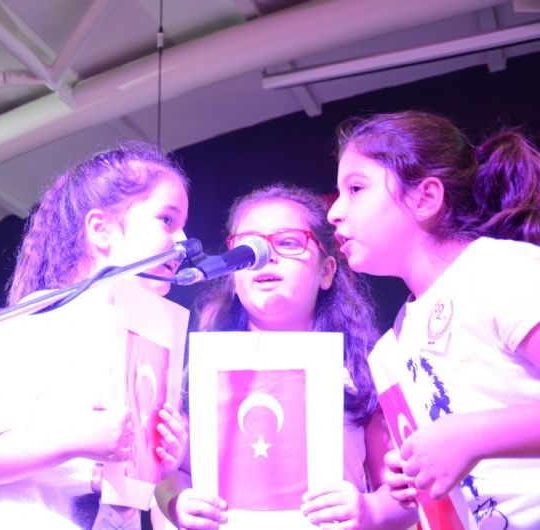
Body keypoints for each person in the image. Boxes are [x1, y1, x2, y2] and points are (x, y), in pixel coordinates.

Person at [0, 142, 191, 529]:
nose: (183, 240)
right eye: (167, 220)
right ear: (101, 230)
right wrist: (74, 440)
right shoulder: (41, 316)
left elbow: (134, 485)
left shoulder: (152, 337)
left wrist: (165, 462)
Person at [155, 183, 417, 530]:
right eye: (248, 247)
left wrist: (369, 509)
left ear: (326, 271)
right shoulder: (199, 376)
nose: (266, 256)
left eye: (289, 242)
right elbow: (167, 475)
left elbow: (404, 497)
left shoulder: (360, 372)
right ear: (232, 274)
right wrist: (177, 503)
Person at [327, 110, 540, 529]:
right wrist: (377, 507)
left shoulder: (501, 271)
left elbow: (462, 441)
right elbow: (432, 494)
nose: (335, 211)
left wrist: (472, 436)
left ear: (424, 198)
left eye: (356, 189)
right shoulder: (389, 349)